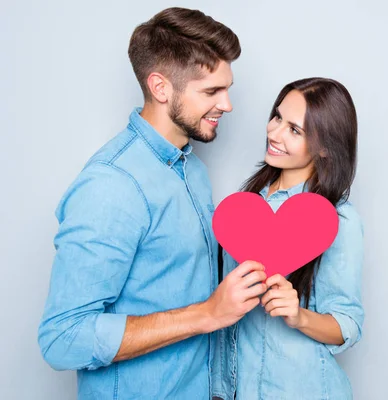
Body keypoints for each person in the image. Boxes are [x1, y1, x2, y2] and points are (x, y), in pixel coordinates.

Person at [37, 7, 267, 399]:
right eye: (212, 91)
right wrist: (207, 314)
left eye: (227, 89)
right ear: (161, 88)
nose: (227, 105)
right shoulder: (111, 185)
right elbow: (62, 338)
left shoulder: (191, 168)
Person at [212, 78, 365, 400]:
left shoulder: (339, 219)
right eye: (277, 117)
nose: (274, 133)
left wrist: (298, 316)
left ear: (324, 146)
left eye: (295, 130)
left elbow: (347, 325)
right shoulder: (245, 206)